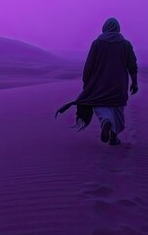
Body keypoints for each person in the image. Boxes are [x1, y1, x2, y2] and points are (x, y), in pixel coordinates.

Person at [55, 17, 138, 145]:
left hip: (99, 84)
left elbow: (89, 65)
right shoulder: (125, 44)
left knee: (101, 105)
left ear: (104, 27)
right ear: (118, 28)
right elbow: (132, 65)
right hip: (119, 84)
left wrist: (86, 82)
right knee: (117, 109)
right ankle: (113, 137)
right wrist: (135, 82)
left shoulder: (97, 43)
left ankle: (105, 122)